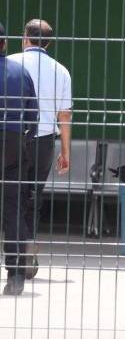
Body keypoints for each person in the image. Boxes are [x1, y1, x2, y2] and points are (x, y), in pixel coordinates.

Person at [8, 19, 71, 281]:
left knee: (10, 196)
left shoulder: (11, 63)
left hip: (10, 138)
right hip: (44, 140)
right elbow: (64, 115)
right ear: (49, 42)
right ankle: (27, 247)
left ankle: (16, 249)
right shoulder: (61, 71)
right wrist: (65, 151)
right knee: (33, 196)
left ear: (25, 38)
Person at [0, 21, 39, 296]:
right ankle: (15, 275)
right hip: (13, 144)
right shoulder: (20, 71)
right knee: (14, 208)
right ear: (4, 43)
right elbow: (33, 115)